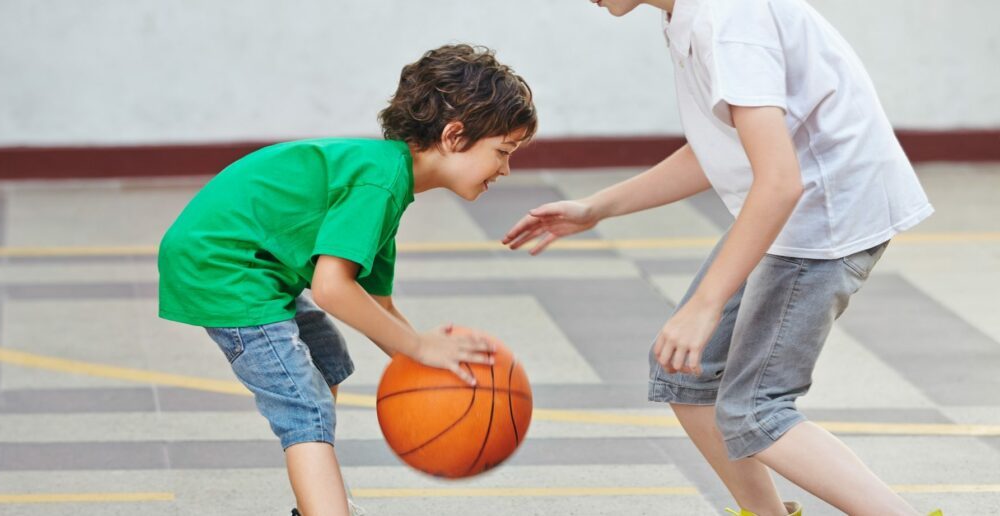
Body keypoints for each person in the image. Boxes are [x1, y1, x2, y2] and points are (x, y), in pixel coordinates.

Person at [503, 1, 937, 515]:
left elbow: (779, 183)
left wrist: (706, 304)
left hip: (824, 222)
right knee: (686, 376)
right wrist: (597, 208)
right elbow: (720, 148)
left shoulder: (730, 22)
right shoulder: (692, 16)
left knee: (756, 410)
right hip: (800, 213)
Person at [158, 44, 537, 516]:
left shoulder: (388, 183)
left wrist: (430, 359)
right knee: (306, 408)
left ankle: (317, 502)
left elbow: (378, 304)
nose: (505, 169)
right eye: (502, 152)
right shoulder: (378, 183)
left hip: (248, 262)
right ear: (455, 136)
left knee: (327, 359)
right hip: (224, 266)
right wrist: (418, 349)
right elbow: (332, 289)